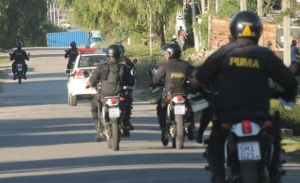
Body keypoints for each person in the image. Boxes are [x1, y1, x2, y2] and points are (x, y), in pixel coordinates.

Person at [189, 10, 298, 183]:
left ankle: (219, 176)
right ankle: (274, 173)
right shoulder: (265, 55)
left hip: (228, 115)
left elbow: (201, 77)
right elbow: (289, 81)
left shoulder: (224, 53)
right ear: (258, 31)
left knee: (215, 145)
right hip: (259, 115)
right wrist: (285, 94)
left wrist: (196, 85)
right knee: (274, 140)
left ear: (234, 30)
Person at [86, 44, 135, 142]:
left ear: (107, 54)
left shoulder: (101, 67)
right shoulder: (123, 68)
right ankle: (125, 124)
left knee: (95, 106)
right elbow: (132, 82)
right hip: (119, 95)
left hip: (104, 96)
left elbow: (90, 81)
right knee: (128, 101)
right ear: (118, 54)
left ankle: (99, 129)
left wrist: (89, 85)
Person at [150, 43, 194, 146]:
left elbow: (156, 78)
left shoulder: (166, 65)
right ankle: (191, 127)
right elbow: (195, 76)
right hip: (184, 94)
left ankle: (163, 129)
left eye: (166, 53)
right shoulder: (186, 65)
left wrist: (153, 83)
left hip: (169, 95)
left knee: (161, 108)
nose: (165, 55)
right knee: (191, 107)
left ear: (170, 53)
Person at [118, 44, 136, 130]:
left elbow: (132, 65)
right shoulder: (110, 63)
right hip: (116, 88)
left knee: (128, 101)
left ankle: (126, 121)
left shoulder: (125, 60)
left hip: (122, 86)